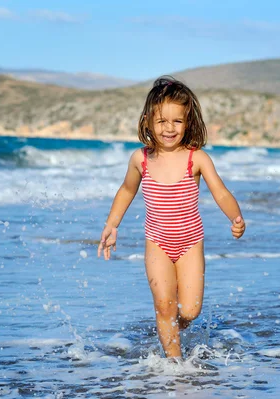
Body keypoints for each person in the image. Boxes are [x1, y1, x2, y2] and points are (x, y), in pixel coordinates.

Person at [97, 76, 246, 360]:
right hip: (157, 243)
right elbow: (127, 190)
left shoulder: (197, 158)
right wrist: (112, 225)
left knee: (189, 310)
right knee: (164, 306)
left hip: (190, 243)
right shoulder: (140, 159)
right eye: (162, 121)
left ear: (188, 123)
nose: (169, 128)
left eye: (177, 121)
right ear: (148, 122)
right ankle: (175, 367)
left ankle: (169, 329)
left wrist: (235, 216)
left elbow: (220, 192)